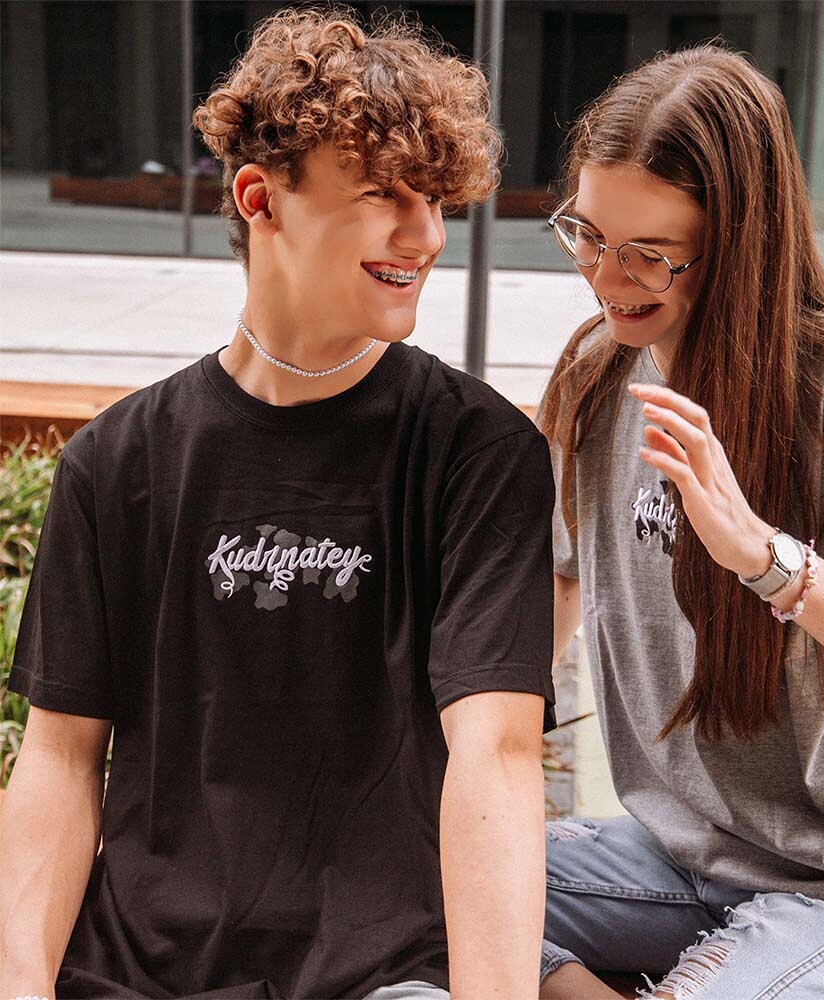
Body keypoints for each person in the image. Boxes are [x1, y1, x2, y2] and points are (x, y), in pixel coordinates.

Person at [0, 9, 556, 999]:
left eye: (436, 200)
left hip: (384, 975)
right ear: (260, 198)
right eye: (384, 195)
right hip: (134, 971)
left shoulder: (478, 454)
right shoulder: (113, 463)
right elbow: (59, 760)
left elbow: (499, 758)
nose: (426, 235)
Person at [534, 44, 824, 1000]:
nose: (607, 277)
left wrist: (762, 556)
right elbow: (547, 606)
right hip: (668, 860)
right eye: (587, 233)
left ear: (738, 242)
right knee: (397, 877)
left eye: (650, 253)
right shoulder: (595, 378)